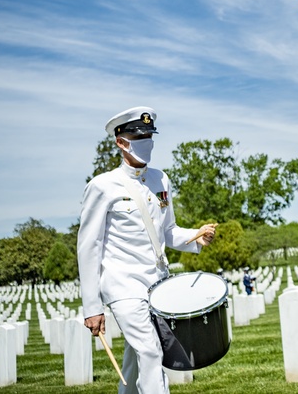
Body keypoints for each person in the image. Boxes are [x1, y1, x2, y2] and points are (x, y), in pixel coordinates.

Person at [78, 106, 216, 394]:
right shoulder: (102, 186)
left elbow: (168, 232)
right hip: (123, 286)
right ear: (120, 141)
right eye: (137, 136)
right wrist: (92, 306)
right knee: (152, 352)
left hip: (157, 284)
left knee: (136, 359)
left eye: (149, 136)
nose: (146, 142)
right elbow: (89, 246)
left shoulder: (160, 180)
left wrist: (197, 237)